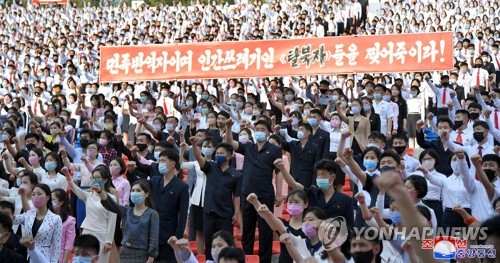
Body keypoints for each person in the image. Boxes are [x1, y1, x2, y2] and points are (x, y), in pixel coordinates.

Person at [225, 119, 282, 263]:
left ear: (268, 132)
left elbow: (279, 172)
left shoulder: (275, 150)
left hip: (265, 194)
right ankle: (247, 259)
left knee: (265, 231)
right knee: (247, 231)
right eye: (256, 129)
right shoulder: (248, 147)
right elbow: (231, 144)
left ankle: (264, 261)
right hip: (247, 193)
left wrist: (280, 193)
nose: (259, 132)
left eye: (262, 129)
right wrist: (228, 127)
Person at [190, 137, 242, 260]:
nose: (218, 155)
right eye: (217, 153)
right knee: (210, 243)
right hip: (209, 212)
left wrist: (236, 213)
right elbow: (199, 157)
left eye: (221, 153)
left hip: (225, 213)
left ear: (229, 156)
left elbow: (236, 196)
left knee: (226, 243)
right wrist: (193, 144)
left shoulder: (237, 175)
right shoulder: (211, 167)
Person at [63, 165, 117, 263]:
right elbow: (75, 189)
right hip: (87, 232)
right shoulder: (88, 196)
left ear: (105, 180)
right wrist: (68, 176)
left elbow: (112, 221)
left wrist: (108, 241)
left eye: (98, 178)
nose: (95, 180)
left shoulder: (112, 198)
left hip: (102, 235)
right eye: (93, 178)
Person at [277, 158, 354, 226]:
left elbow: (350, 226)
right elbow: (293, 184)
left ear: (333, 177)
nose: (320, 177)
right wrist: (282, 169)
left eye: (323, 174)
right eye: (318, 175)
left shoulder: (345, 200)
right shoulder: (312, 193)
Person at [96, 179, 159, 263]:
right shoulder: (126, 210)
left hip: (142, 254)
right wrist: (100, 191)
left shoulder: (152, 214)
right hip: (125, 252)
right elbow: (110, 203)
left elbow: (153, 238)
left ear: (146, 194)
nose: (134, 192)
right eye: (132, 190)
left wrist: (151, 258)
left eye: (138, 190)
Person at [14, 183, 62, 262]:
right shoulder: (29, 214)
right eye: (33, 194)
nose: (36, 197)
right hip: (29, 256)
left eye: (39, 194)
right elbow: (12, 220)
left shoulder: (55, 219)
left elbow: (56, 246)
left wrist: (54, 261)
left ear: (47, 197)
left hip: (44, 257)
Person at [51, 188, 76, 263]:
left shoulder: (70, 220)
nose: (50, 202)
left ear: (61, 202)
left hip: (59, 257)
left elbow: (69, 244)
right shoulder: (46, 217)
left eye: (53, 199)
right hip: (44, 255)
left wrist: (65, 261)